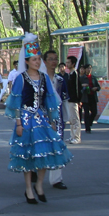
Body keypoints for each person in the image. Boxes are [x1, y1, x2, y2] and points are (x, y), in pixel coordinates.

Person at [6, 34, 73, 204]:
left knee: (45, 153)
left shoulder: (44, 78)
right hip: (27, 121)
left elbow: (50, 98)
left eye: (38, 59)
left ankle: (40, 185)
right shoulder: (21, 78)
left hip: (41, 120)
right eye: (34, 59)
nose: (37, 62)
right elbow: (16, 102)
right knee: (28, 155)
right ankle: (29, 188)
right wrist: (19, 123)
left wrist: (52, 119)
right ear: (27, 61)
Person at [43, 50, 69, 190]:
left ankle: (56, 179)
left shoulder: (60, 80)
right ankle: (34, 171)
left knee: (57, 147)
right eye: (50, 59)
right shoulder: (39, 79)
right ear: (45, 61)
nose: (53, 61)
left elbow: (64, 100)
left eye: (55, 59)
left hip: (57, 118)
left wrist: (66, 118)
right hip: (41, 118)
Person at [65, 55, 83, 144]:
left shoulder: (75, 74)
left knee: (75, 119)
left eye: (68, 62)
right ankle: (72, 136)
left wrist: (78, 100)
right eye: (66, 62)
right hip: (69, 100)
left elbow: (76, 88)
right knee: (71, 119)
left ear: (73, 64)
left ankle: (77, 137)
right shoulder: (69, 74)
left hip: (73, 100)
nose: (66, 64)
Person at [80, 64, 100, 133]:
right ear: (85, 69)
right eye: (88, 68)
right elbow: (78, 86)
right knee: (86, 113)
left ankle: (89, 122)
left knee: (94, 112)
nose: (89, 70)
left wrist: (96, 88)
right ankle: (87, 128)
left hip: (92, 96)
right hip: (85, 97)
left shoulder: (93, 77)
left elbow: (98, 86)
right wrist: (82, 86)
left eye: (90, 68)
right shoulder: (82, 78)